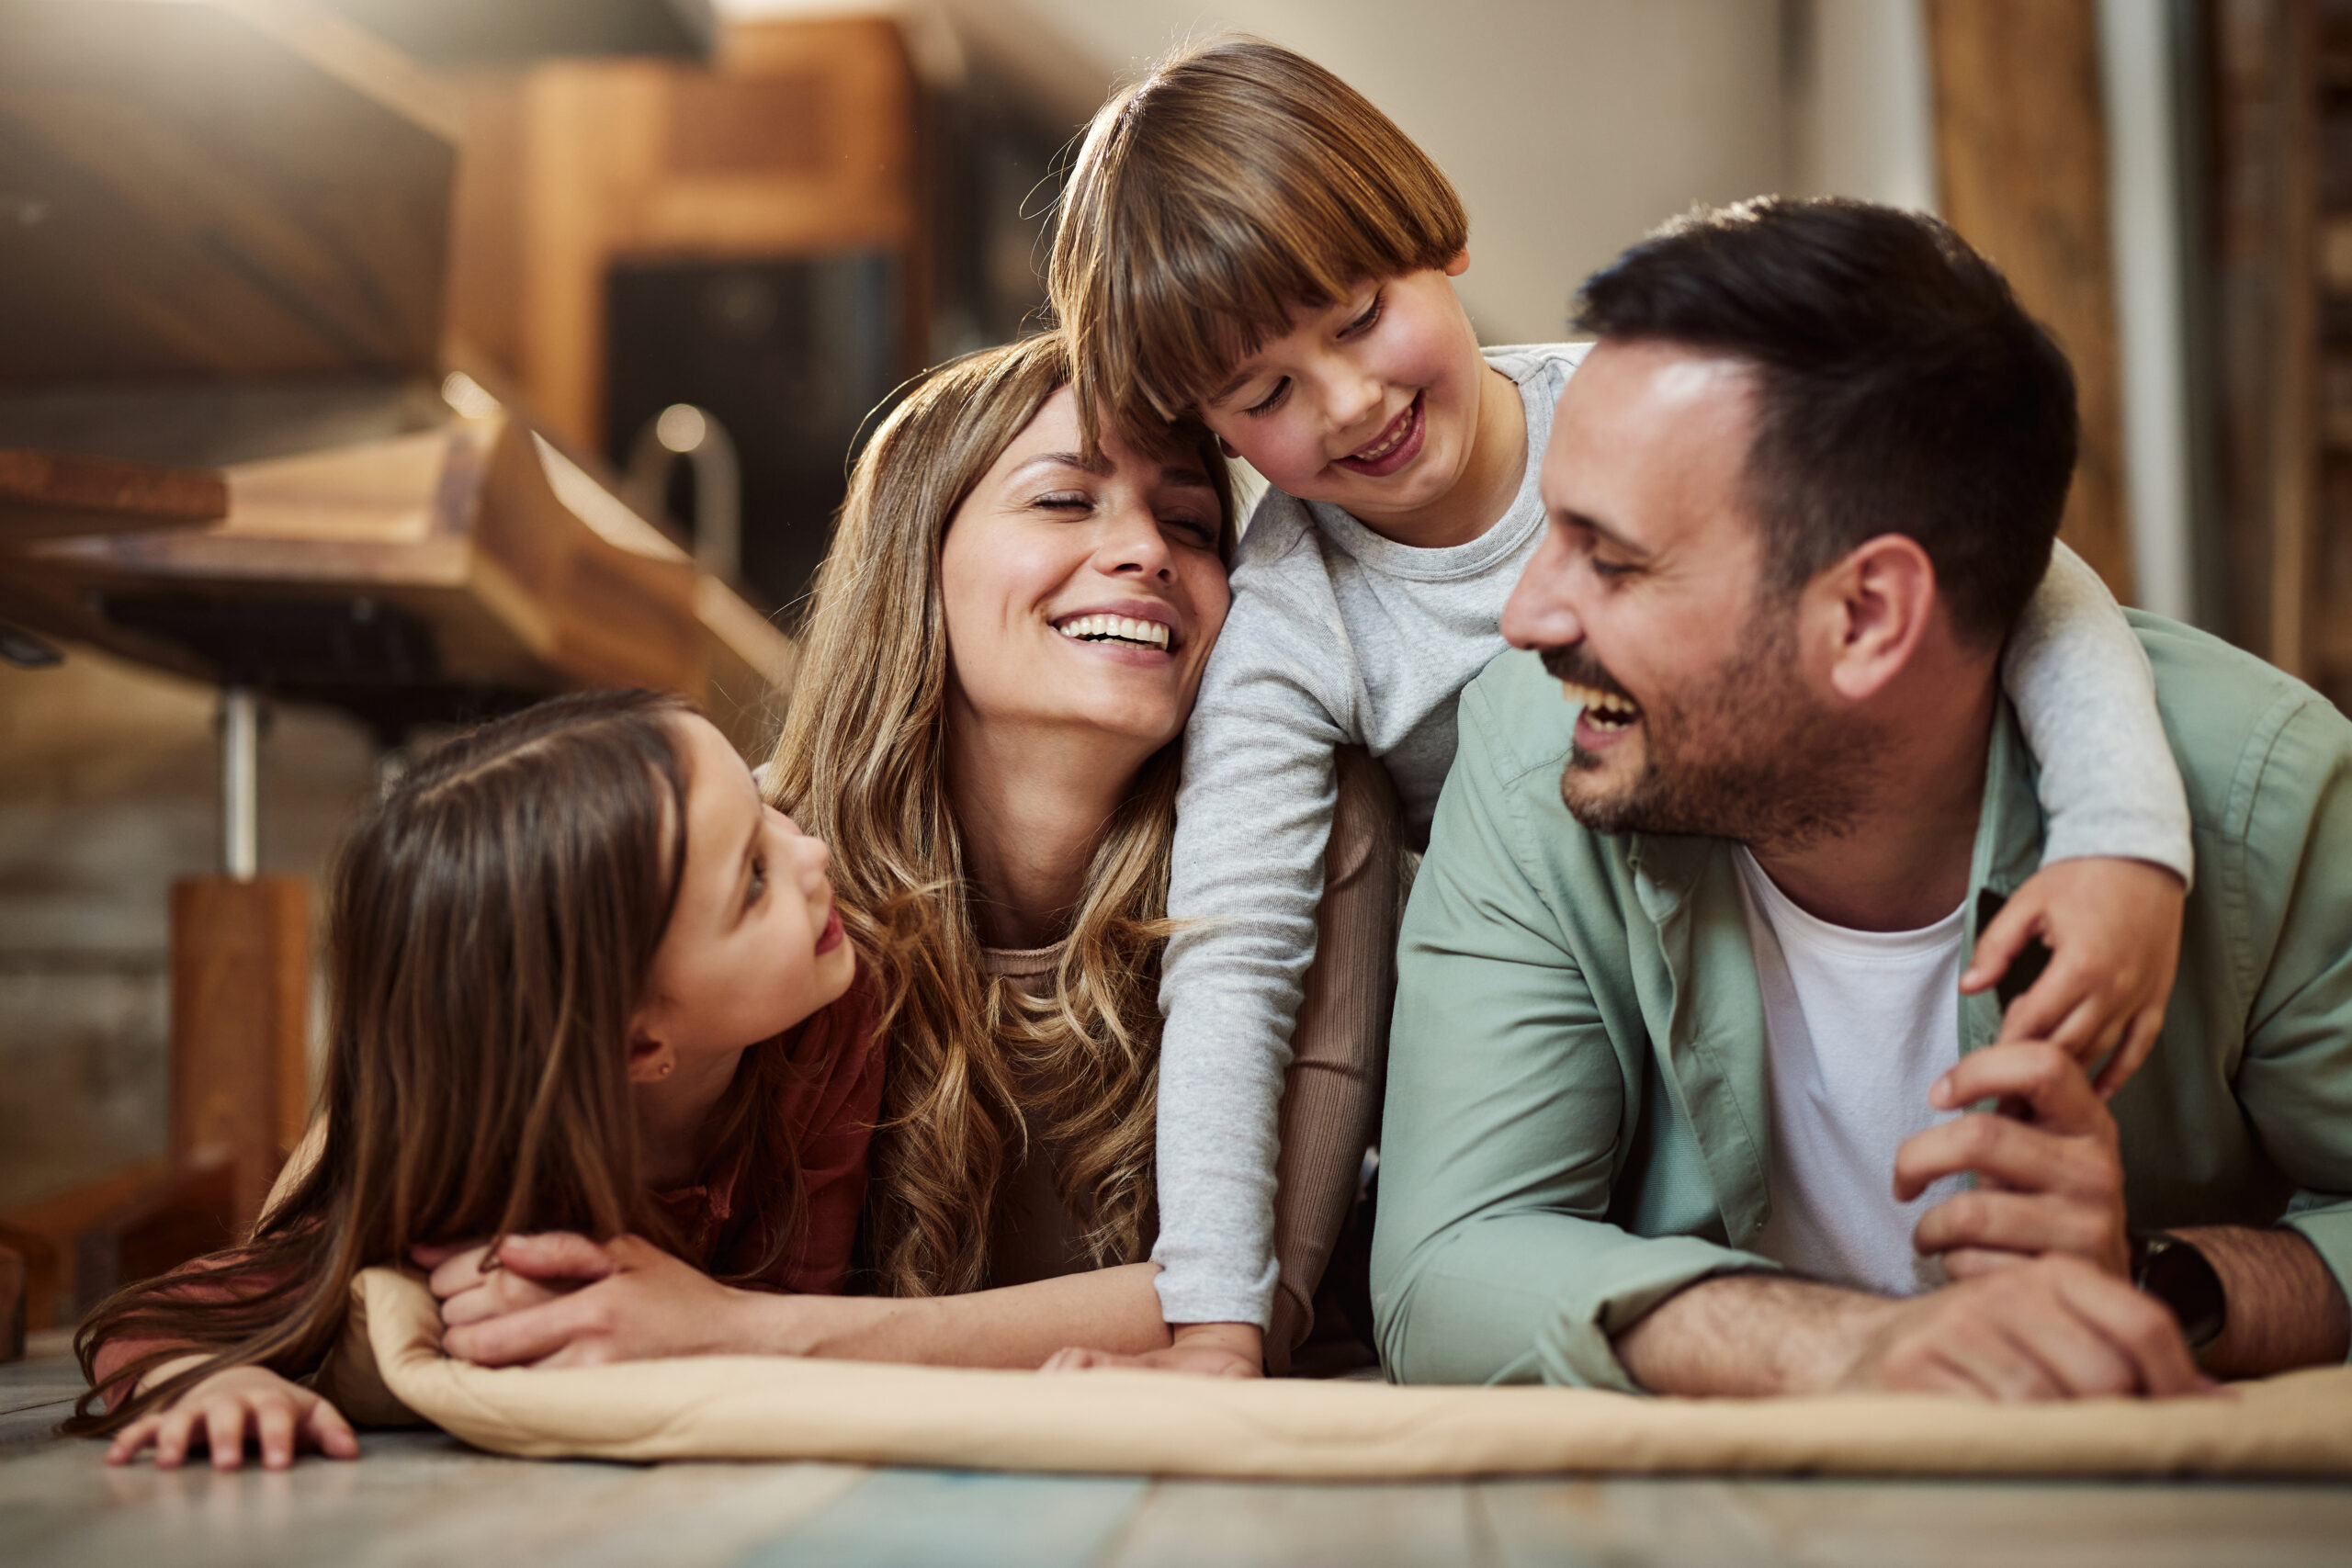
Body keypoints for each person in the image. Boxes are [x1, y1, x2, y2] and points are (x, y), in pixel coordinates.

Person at [1046, 36, 2199, 1379]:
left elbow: (2016, 570)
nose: (1351, 400)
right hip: (1592, 1019)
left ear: (1439, 239)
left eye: (1359, 314)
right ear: (1214, 427)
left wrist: (2123, 836)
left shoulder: (1640, 411)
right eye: (1266, 391)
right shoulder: (1295, 623)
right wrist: (1216, 1331)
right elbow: (1235, 957)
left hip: (1832, 918)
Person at [1371, 197, 2352, 1398]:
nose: (1526, 618)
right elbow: (1447, 1261)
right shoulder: (1544, 750)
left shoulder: (2264, 794)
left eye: (1612, 558)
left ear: (1870, 616)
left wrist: (2160, 1282)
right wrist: (1853, 1345)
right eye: (1549, 533)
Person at [420, 331, 1398, 1374]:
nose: (1148, 550)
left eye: (1192, 523)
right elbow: (395, 1186)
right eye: (1065, 500)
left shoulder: (1313, 829)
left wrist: (743, 1332)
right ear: (914, 556)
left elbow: (1252, 1300)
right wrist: (252, 1355)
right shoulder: (773, 880)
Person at [75, 690, 881, 1469]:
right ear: (637, 1045)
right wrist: (223, 1384)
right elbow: (151, 1320)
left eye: (762, 802)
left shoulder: (833, 1027)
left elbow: (797, 1326)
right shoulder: (469, 1190)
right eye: (752, 879)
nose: (811, 852)